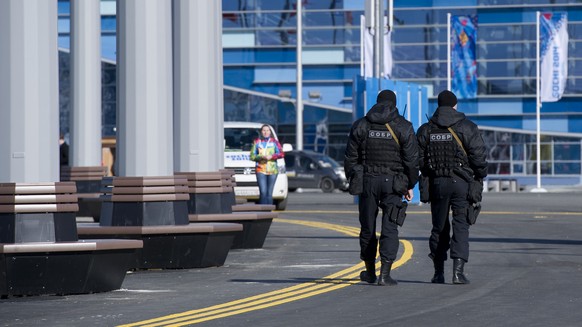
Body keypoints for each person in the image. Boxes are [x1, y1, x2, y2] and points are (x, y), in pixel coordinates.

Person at [344, 90, 419, 286]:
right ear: (394, 104)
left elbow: (350, 157)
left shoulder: (361, 124)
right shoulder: (404, 126)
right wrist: (409, 185)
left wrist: (354, 178)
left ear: (377, 103)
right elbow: (412, 161)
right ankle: (384, 274)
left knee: (367, 227)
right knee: (390, 227)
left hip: (368, 181)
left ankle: (369, 271)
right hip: (393, 183)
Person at [416, 90, 488, 284]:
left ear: (438, 106)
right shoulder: (467, 127)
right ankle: (458, 273)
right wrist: (480, 175)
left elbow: (419, 160)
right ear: (455, 106)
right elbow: (479, 156)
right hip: (461, 183)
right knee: (461, 226)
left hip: (438, 183)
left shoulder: (426, 129)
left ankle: (438, 272)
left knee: (439, 227)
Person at [250, 124, 284, 205]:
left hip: (272, 171)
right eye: (264, 130)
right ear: (261, 132)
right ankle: (262, 212)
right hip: (260, 170)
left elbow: (281, 154)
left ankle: (269, 213)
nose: (266, 132)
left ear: (270, 132)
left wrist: (272, 156)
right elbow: (252, 156)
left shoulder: (274, 142)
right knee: (263, 192)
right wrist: (261, 157)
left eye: (267, 130)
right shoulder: (257, 142)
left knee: (269, 193)